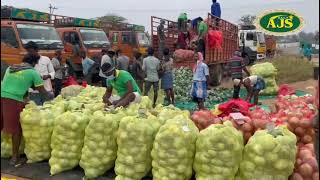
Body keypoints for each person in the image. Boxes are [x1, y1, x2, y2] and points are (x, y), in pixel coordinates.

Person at [1, 54, 49, 166]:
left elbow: (13, 83)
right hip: (13, 100)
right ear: (34, 63)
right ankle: (15, 157)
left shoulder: (11, 68)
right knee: (16, 129)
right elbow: (43, 92)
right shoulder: (32, 72)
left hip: (2, 96)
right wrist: (53, 100)